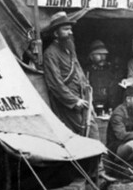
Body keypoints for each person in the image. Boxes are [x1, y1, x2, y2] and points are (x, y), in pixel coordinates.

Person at [42, 12, 100, 140]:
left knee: (92, 130)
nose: (70, 32)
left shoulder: (69, 48)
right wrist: (74, 101)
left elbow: (79, 71)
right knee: (85, 135)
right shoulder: (50, 54)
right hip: (68, 104)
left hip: (82, 99)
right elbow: (55, 83)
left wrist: (88, 95)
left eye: (70, 29)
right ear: (56, 33)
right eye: (66, 29)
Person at [85, 40, 121, 114]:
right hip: (92, 109)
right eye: (98, 54)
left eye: (104, 54)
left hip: (109, 109)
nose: (102, 57)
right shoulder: (86, 72)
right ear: (91, 57)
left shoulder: (111, 71)